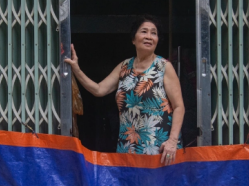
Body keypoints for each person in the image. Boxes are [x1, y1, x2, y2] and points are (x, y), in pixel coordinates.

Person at [64, 16, 185, 165]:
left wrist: (172, 142)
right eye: (144, 31)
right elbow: (99, 89)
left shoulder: (164, 67)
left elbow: (179, 107)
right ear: (133, 39)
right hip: (128, 148)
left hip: (160, 150)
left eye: (154, 33)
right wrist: (76, 69)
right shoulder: (124, 67)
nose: (149, 36)